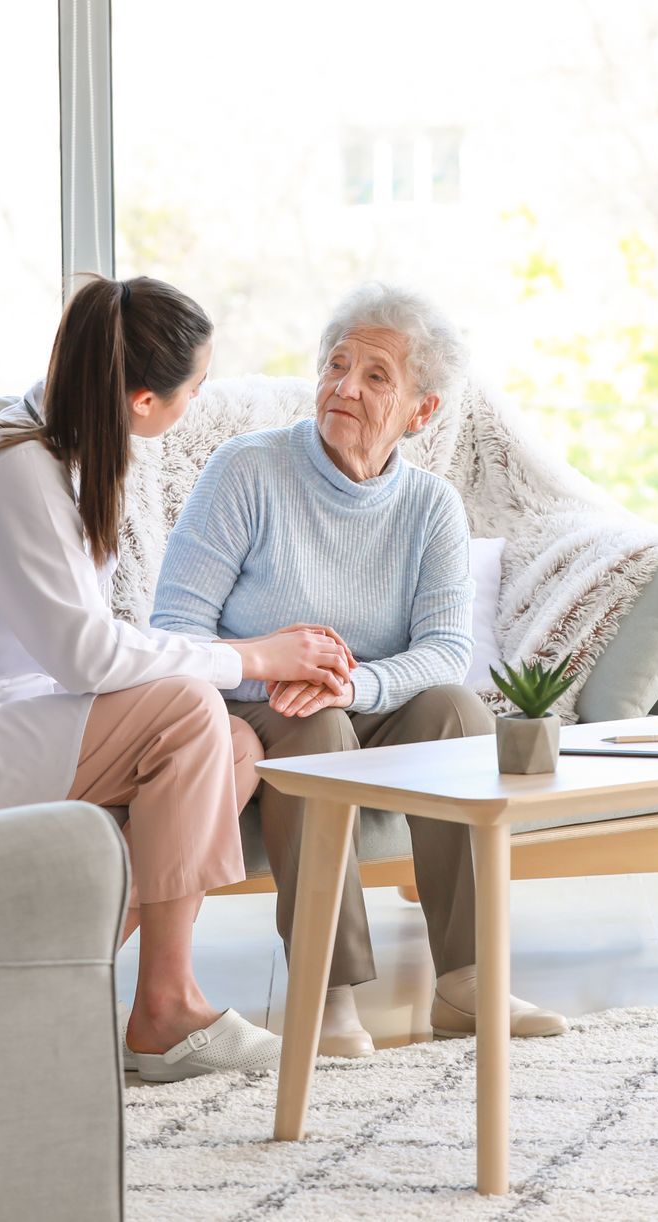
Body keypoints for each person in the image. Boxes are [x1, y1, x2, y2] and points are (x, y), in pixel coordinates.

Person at [0, 275, 353, 1082]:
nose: (198, 401)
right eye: (195, 387)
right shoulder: (16, 475)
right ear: (145, 402)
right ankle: (166, 1010)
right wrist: (252, 655)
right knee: (194, 713)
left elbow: (88, 647)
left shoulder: (58, 452)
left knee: (233, 747)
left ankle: (40, 981)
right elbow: (87, 656)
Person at [151, 281, 568, 1058]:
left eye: (376, 376)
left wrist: (355, 684)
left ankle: (468, 980)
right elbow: (174, 631)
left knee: (457, 713)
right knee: (315, 724)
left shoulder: (432, 507)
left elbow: (445, 650)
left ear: (422, 410)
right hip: (252, 702)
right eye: (336, 365)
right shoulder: (248, 471)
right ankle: (328, 991)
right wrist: (275, 675)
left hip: (363, 700)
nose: (344, 386)